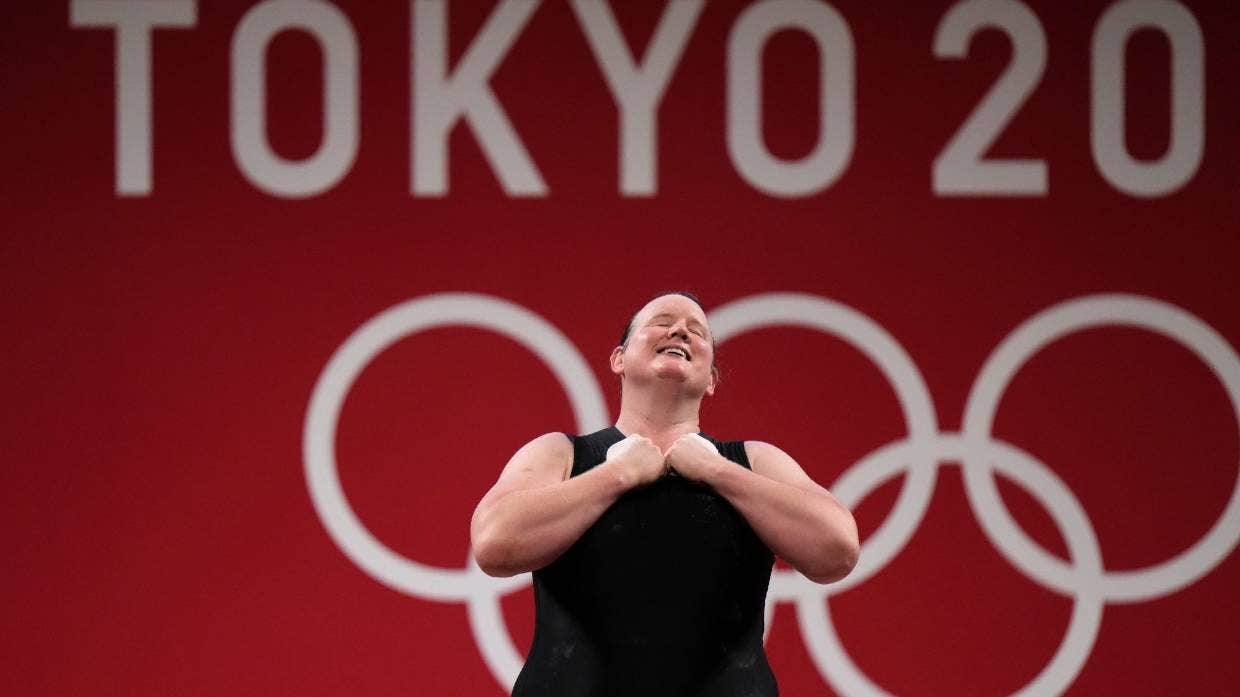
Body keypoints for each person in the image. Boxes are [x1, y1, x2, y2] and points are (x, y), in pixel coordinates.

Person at [470, 291, 860, 696]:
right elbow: (495, 543)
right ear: (619, 359)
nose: (680, 330)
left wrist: (716, 471)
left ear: (710, 380)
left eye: (698, 331)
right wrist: (617, 474)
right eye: (662, 321)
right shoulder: (561, 454)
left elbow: (837, 550)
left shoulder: (753, 461)